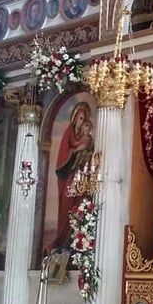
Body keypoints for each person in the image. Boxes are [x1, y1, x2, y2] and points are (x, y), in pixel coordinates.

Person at [51, 102, 95, 254]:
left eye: (84, 119)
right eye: (80, 118)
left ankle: (73, 240)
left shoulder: (85, 137)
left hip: (79, 175)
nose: (82, 122)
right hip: (67, 176)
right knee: (66, 206)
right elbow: (65, 153)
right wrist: (75, 150)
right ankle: (63, 238)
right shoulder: (69, 132)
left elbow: (88, 149)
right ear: (75, 118)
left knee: (79, 204)